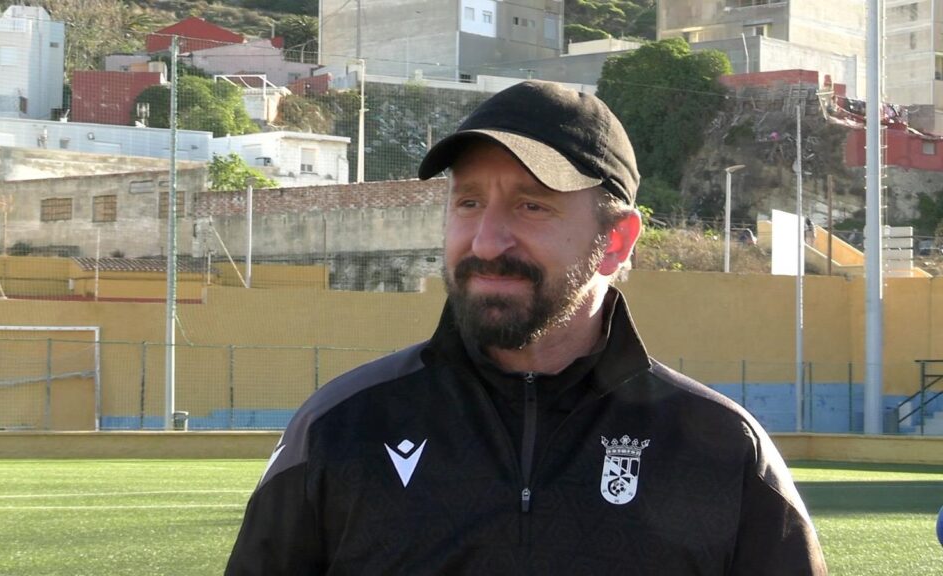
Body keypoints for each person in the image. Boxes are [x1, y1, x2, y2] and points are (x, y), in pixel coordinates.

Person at [226, 80, 827, 575]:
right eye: (468, 203)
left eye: (531, 205)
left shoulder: (722, 447)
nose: (486, 241)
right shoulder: (339, 427)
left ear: (615, 242)